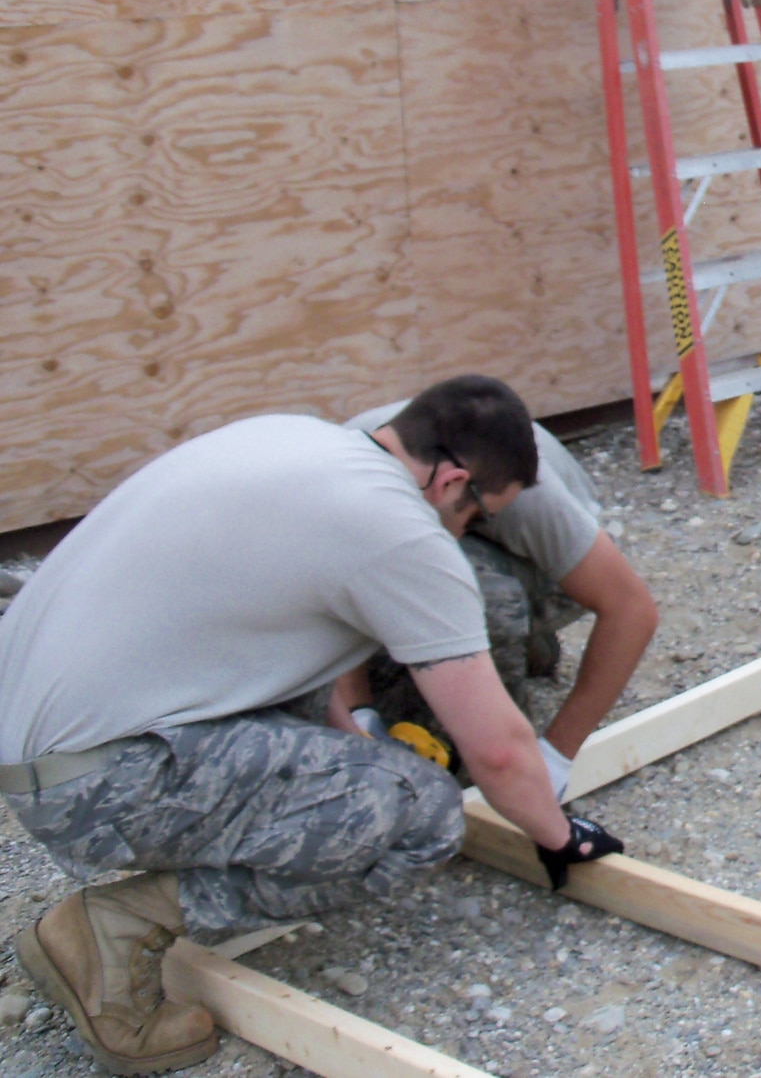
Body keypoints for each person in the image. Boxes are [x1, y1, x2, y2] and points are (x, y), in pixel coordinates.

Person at [0, 377, 623, 1074]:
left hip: (39, 737)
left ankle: (196, 846)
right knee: (421, 814)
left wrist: (345, 734)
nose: (464, 531)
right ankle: (117, 928)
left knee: (352, 768)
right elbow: (499, 753)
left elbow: (277, 627)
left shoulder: (294, 438)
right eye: (474, 515)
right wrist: (560, 837)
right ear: (452, 478)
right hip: (90, 781)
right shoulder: (400, 530)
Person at [343, 400, 657, 799]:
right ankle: (523, 649)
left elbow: (631, 610)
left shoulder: (530, 495)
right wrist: (360, 716)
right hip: (424, 524)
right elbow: (326, 589)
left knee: (475, 593)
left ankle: (510, 659)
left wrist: (554, 757)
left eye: (477, 518)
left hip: (543, 570)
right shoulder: (347, 473)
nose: (466, 526)